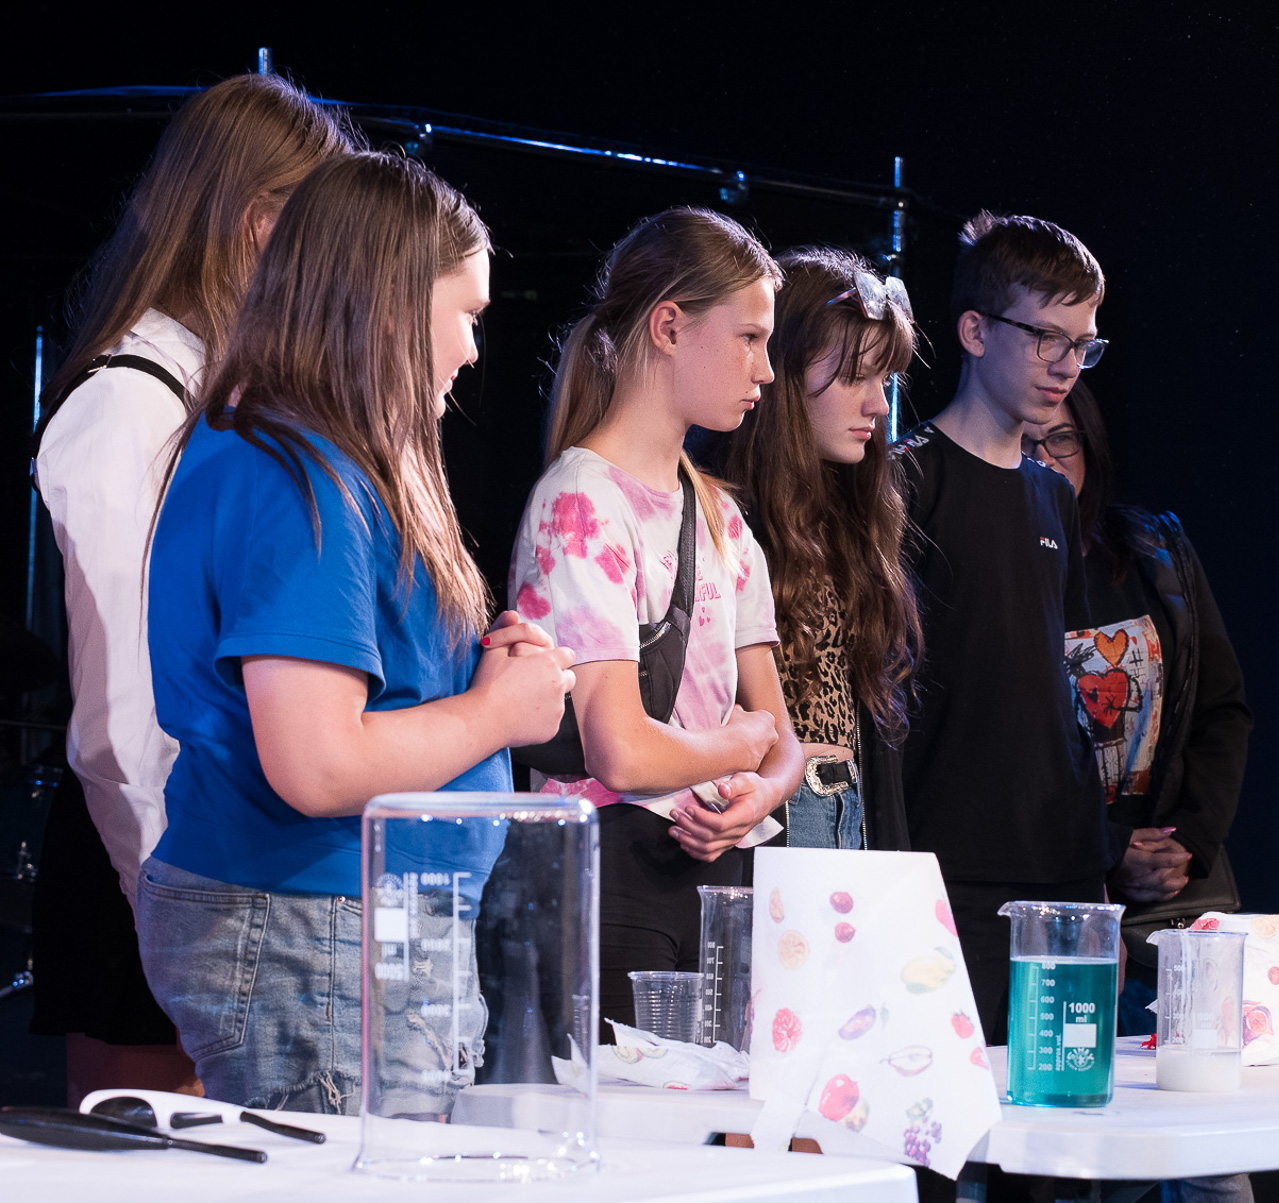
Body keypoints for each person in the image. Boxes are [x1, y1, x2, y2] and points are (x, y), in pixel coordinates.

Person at [137, 151, 575, 1113]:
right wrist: (498, 712)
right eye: (466, 314)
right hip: (319, 925)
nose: (472, 350)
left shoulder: (305, 454)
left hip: (347, 923)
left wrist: (480, 677)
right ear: (389, 303)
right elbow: (318, 761)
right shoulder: (300, 470)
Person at [29, 73, 359, 1104]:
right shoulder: (126, 409)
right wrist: (173, 917)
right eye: (320, 235)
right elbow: (119, 723)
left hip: (220, 873)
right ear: (261, 226)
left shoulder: (232, 399)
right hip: (148, 869)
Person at [506, 207, 803, 1029]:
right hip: (611, 869)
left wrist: (758, 793)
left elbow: (783, 737)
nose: (765, 369)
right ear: (669, 326)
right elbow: (622, 751)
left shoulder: (721, 518)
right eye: (749, 338)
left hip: (725, 872)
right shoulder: (581, 500)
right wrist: (740, 748)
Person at [895, 212, 1107, 1041]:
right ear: (975, 331)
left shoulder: (1052, 493)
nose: (1067, 365)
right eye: (1047, 337)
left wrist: (1094, 860)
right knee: (943, 1105)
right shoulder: (907, 483)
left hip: (1060, 867)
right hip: (945, 868)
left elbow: (1061, 685)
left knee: (1061, 1107)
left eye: (1083, 343)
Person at [1019, 379, 1253, 1035]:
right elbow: (1000, 754)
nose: (1047, 459)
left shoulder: (1154, 549)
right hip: (1054, 887)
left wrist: (1191, 841)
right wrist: (1109, 848)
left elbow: (1222, 709)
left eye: (1062, 440)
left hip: (1172, 893)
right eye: (1027, 444)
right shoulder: (994, 569)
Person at [715, 248, 922, 852]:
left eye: (884, 380)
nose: (879, 405)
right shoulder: (721, 510)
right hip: (761, 817)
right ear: (783, 371)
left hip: (849, 811)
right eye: (856, 377)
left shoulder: (855, 513)